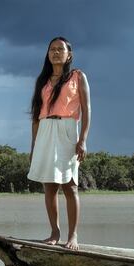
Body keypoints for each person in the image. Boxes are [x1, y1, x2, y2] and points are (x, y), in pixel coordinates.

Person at [28, 36, 91, 250]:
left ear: (68, 55)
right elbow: (36, 117)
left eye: (60, 49)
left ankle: (73, 236)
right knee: (49, 186)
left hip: (67, 129)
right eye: (52, 49)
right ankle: (54, 233)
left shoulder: (77, 76)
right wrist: (33, 147)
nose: (56, 52)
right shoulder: (42, 81)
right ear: (47, 54)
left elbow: (87, 109)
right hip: (46, 130)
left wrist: (82, 139)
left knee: (70, 185)